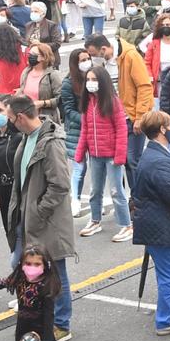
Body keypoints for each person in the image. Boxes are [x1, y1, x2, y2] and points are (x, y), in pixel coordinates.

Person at [1, 94, 78, 341]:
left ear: (21, 117)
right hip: (29, 217)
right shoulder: (29, 137)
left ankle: (62, 324)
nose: (9, 122)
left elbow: (60, 185)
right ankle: (39, 314)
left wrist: (39, 211)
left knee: (55, 271)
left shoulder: (50, 142)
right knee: (21, 265)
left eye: (11, 118)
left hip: (46, 221)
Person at [130, 110, 170, 336]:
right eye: (169, 124)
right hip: (162, 225)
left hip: (153, 222)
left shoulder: (152, 154)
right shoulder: (159, 160)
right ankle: (165, 321)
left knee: (166, 271)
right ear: (163, 130)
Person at [70, 53, 131, 241]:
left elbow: (121, 129)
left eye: (94, 79)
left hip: (112, 155)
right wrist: (80, 153)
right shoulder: (88, 103)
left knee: (116, 191)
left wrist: (120, 156)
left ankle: (126, 225)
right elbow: (85, 130)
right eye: (88, 79)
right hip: (95, 155)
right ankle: (95, 221)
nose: (90, 82)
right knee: (96, 190)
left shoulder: (112, 101)